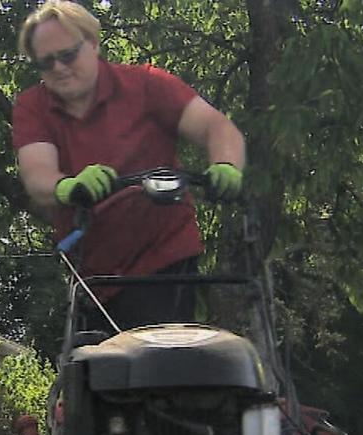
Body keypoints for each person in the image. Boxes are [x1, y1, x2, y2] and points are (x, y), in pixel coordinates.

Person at [12, 0, 246, 331]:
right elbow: (37, 174)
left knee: (156, 366)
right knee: (94, 371)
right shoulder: (32, 107)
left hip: (164, 258)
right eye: (46, 63)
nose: (60, 68)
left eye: (68, 55)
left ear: (92, 44)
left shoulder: (146, 85)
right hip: (92, 273)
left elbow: (218, 128)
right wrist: (68, 186)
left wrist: (225, 165)